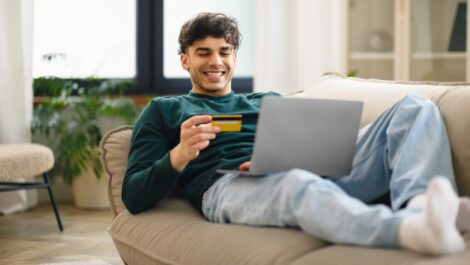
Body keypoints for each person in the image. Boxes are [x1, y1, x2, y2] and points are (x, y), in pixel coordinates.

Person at [123, 12, 470, 255]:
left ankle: (425, 207)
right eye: (204, 53)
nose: (216, 61)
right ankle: (410, 230)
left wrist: (320, 149)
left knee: (415, 108)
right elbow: (134, 195)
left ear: (235, 57)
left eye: (224, 52)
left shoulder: (269, 100)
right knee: (295, 183)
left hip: (313, 173)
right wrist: (179, 155)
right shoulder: (165, 110)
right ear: (185, 61)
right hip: (227, 188)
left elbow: (314, 147)